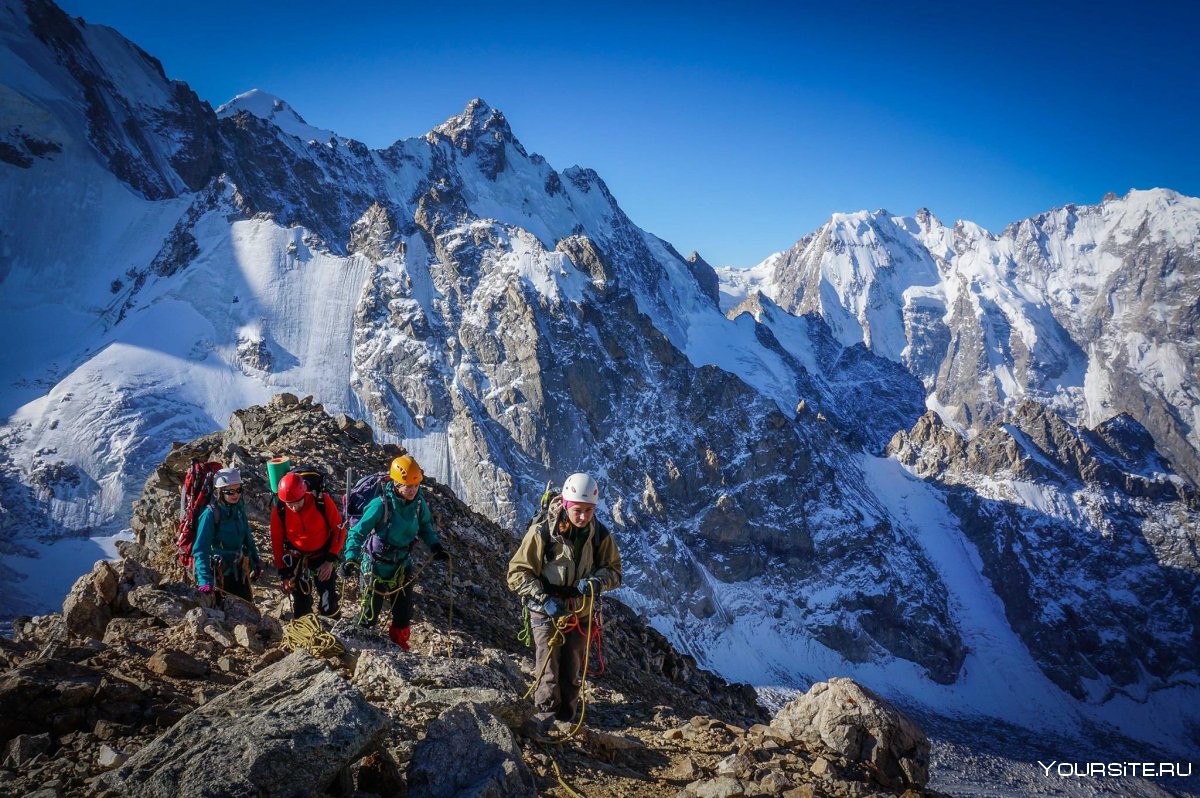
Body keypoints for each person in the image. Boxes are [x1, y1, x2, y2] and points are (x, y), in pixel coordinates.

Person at [507, 472, 621, 725]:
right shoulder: (542, 533)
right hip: (545, 609)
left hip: (579, 610)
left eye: (588, 511)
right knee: (549, 668)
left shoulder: (600, 535)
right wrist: (542, 597)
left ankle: (566, 719)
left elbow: (614, 571)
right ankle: (545, 718)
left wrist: (597, 581)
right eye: (578, 510)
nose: (583, 517)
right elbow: (517, 573)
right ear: (567, 506)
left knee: (572, 668)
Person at [341, 455, 448, 651]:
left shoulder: (417, 504)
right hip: (375, 567)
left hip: (401, 565)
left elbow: (425, 526)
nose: (412, 490)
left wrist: (435, 546)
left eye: (415, 486)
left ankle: (399, 648)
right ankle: (352, 646)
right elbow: (358, 532)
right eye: (408, 486)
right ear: (396, 484)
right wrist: (350, 558)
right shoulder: (381, 505)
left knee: (403, 613)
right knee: (369, 614)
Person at [270, 471, 345, 618]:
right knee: (301, 604)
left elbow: (339, 530)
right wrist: (284, 574)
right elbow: (277, 542)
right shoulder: (280, 510)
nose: (293, 507)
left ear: (304, 494)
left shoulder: (321, 501)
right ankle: (305, 633)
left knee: (328, 601)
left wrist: (330, 560)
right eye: (289, 503)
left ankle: (334, 632)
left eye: (297, 501)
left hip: (323, 556)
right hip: (297, 558)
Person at [193, 468, 262, 603]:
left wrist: (255, 560)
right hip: (219, 574)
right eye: (230, 491)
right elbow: (201, 549)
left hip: (239, 570)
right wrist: (204, 580)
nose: (235, 495)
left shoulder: (238, 509)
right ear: (219, 491)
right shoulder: (210, 515)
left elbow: (247, 536)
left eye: (238, 490)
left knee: (246, 608)